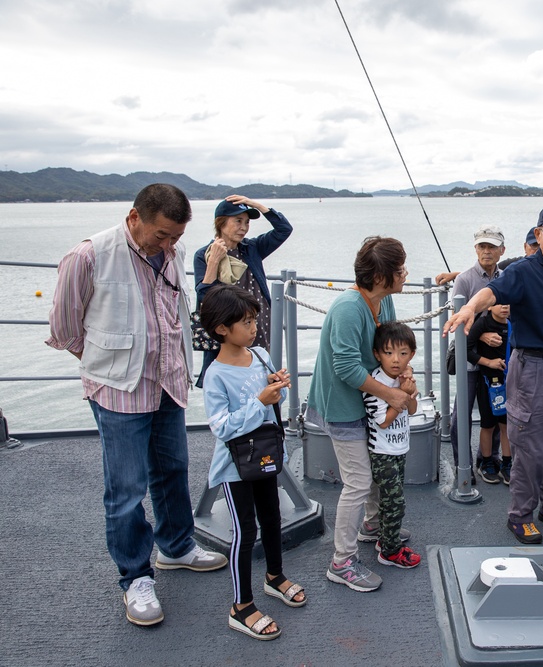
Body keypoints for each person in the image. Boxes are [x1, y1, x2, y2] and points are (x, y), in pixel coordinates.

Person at [46, 183, 227, 627]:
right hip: (117, 390)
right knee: (125, 490)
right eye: (161, 234)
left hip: (167, 382)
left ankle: (176, 547)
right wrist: (109, 365)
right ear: (134, 218)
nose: (167, 245)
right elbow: (66, 329)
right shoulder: (88, 256)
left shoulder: (173, 252)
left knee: (172, 470)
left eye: (176, 238)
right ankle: (135, 576)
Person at [444, 203, 543, 545]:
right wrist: (469, 308)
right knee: (529, 446)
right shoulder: (523, 270)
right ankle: (520, 514)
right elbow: (491, 293)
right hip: (531, 366)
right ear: (538, 235)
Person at [307, 236, 415, 593]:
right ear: (382, 275)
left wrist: (406, 375)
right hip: (342, 405)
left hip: (368, 401)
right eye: (399, 270)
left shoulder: (383, 304)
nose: (405, 274)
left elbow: (390, 349)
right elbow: (347, 368)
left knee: (370, 469)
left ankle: (372, 524)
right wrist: (393, 396)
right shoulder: (348, 308)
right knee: (357, 480)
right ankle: (342, 562)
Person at [200, 284, 304, 641]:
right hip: (235, 465)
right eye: (245, 322)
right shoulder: (215, 375)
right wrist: (261, 400)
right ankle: (241, 606)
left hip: (265, 455)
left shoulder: (259, 355)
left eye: (253, 320)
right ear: (222, 329)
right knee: (245, 531)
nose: (254, 327)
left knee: (272, 516)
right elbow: (222, 428)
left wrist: (279, 386)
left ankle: (274, 576)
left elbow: (277, 400)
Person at [193, 196, 292, 386]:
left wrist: (256, 205)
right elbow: (204, 296)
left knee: (262, 380)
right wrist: (214, 261)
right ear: (221, 223)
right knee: (233, 385)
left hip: (258, 326)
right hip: (229, 332)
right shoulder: (203, 255)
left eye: (247, 222)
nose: (244, 227)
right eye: (238, 221)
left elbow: (284, 229)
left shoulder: (251, 248)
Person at [435, 224, 506, 478]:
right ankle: (461, 464)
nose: (487, 251)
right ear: (475, 249)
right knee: (460, 416)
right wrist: (482, 332)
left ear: (502, 250)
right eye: (482, 246)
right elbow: (456, 319)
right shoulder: (465, 279)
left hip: (496, 358)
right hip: (470, 357)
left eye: (492, 246)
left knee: (497, 409)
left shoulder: (505, 276)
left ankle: (489, 459)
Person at [363, 322, 421, 569]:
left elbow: (413, 409)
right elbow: (384, 422)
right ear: (377, 354)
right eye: (388, 353)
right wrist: (403, 395)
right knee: (395, 501)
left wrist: (409, 393)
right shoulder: (375, 384)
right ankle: (390, 551)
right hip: (382, 452)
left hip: (399, 448)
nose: (396, 360)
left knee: (390, 501)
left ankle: (385, 538)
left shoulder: (403, 379)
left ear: (412, 354)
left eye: (403, 353)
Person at [467, 304, 513, 484]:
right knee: (487, 424)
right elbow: (466, 348)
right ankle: (486, 463)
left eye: (508, 304)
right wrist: (488, 362)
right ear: (490, 305)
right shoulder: (482, 323)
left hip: (508, 381)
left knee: (506, 425)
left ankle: (507, 464)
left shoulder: (512, 324)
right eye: (500, 303)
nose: (504, 307)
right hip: (487, 381)